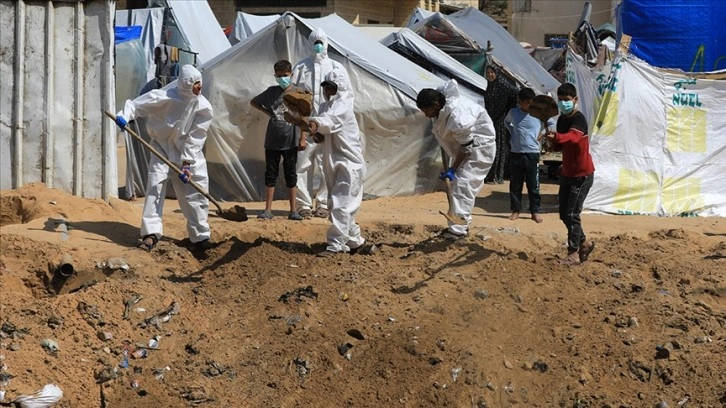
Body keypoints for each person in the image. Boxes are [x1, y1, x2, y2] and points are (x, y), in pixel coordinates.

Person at [115, 64, 213, 252]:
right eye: (196, 84)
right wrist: (125, 116)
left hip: (188, 154)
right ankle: (151, 233)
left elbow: (196, 136)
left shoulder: (203, 107)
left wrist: (186, 164)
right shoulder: (163, 97)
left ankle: (200, 236)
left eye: (200, 83)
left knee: (196, 191)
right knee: (155, 187)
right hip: (162, 150)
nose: (199, 88)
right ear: (185, 84)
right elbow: (135, 105)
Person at [305, 70, 375, 257]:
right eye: (326, 87)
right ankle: (355, 241)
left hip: (348, 163)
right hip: (333, 162)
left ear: (340, 88)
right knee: (337, 203)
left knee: (341, 204)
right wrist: (314, 131)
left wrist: (313, 123)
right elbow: (323, 135)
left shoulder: (342, 105)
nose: (328, 91)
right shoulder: (325, 108)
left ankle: (335, 246)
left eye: (331, 87)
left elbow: (329, 121)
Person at [416, 79, 497, 239]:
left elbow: (466, 148)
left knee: (463, 185)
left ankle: (458, 230)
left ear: (436, 104)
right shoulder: (442, 105)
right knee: (458, 186)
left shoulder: (458, 118)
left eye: (427, 110)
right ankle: (461, 225)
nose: (426, 115)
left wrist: (453, 169)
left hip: (479, 149)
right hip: (465, 147)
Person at [290, 28, 348, 219]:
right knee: (302, 166)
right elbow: (292, 99)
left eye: (321, 41)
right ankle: (304, 204)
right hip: (306, 127)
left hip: (328, 128)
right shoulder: (300, 68)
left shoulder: (336, 68)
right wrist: (301, 127)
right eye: (314, 41)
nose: (318, 45)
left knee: (326, 166)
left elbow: (345, 98)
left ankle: (324, 203)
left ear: (327, 43)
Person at [543, 82, 596, 266]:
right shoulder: (562, 120)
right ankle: (584, 243)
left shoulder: (578, 119)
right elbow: (561, 145)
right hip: (568, 172)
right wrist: (551, 141)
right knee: (564, 214)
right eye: (561, 100)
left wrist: (557, 137)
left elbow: (573, 138)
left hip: (582, 175)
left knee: (572, 213)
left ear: (575, 100)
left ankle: (573, 253)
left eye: (567, 100)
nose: (563, 103)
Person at [250, 60, 304, 221]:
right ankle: (268, 209)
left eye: (285, 76)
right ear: (275, 76)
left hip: (291, 140)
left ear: (291, 74)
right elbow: (254, 102)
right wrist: (268, 113)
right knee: (271, 174)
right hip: (273, 140)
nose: (282, 79)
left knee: (291, 174)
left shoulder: (298, 93)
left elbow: (304, 115)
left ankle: (293, 210)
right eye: (279, 76)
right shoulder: (271, 92)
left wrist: (303, 137)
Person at [504, 87, 555, 223]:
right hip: (516, 152)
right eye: (526, 103)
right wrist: (513, 133)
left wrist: (542, 133)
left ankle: (535, 211)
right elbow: (506, 122)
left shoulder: (538, 113)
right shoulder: (513, 113)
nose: (529, 106)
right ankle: (516, 210)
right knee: (515, 184)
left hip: (532, 153)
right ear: (519, 102)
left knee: (533, 184)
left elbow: (551, 123)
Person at [483, 65, 518, 184]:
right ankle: (492, 174)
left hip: (500, 121)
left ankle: (497, 175)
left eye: (492, 72)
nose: (490, 75)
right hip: (492, 119)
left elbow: (516, 94)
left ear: (496, 73)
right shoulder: (490, 85)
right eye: (488, 73)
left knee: (499, 147)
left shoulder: (503, 84)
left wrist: (509, 110)